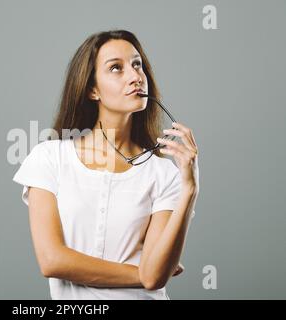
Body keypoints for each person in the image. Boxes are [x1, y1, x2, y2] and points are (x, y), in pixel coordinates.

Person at [12, 29, 199, 300]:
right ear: (92, 89)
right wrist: (145, 274)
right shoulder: (50, 158)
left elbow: (156, 276)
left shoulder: (164, 173)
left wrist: (190, 189)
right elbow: (52, 260)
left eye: (137, 65)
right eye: (116, 68)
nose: (136, 76)